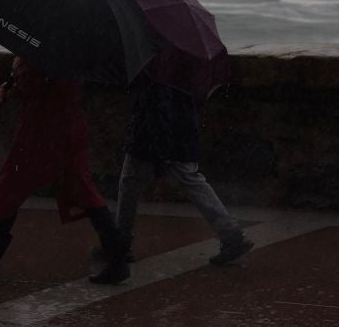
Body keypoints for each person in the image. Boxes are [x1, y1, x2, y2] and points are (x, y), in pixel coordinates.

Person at [0, 56, 130, 284]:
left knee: (9, 188)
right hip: (68, 125)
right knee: (84, 191)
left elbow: (32, 81)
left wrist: (15, 78)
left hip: (42, 132)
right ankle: (117, 258)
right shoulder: (69, 46)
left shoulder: (44, 47)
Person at [100, 68, 253, 266]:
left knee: (130, 184)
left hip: (152, 137)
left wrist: (158, 144)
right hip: (184, 132)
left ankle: (120, 242)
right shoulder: (190, 62)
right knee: (192, 181)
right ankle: (231, 235)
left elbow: (158, 105)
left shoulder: (157, 64)